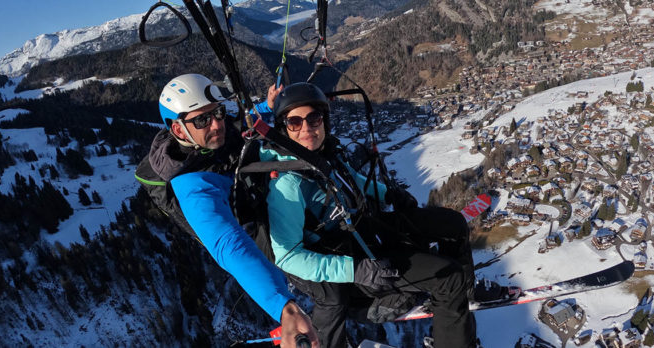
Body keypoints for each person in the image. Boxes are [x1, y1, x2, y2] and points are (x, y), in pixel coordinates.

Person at [262, 82, 512, 347]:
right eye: (294, 122)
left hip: (365, 232)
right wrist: (355, 269)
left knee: (454, 224)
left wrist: (387, 194)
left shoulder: (323, 155)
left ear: (324, 120)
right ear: (283, 128)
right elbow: (287, 256)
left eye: (313, 118)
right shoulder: (287, 183)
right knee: (449, 277)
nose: (306, 129)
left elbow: (353, 180)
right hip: (355, 264)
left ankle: (464, 294)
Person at [135, 74, 319, 347]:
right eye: (203, 120)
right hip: (243, 220)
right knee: (299, 259)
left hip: (243, 190)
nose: (217, 124)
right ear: (177, 130)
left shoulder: (207, 136)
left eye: (218, 112)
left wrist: (267, 107)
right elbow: (228, 244)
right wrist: (286, 309)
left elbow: (238, 125)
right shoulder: (192, 187)